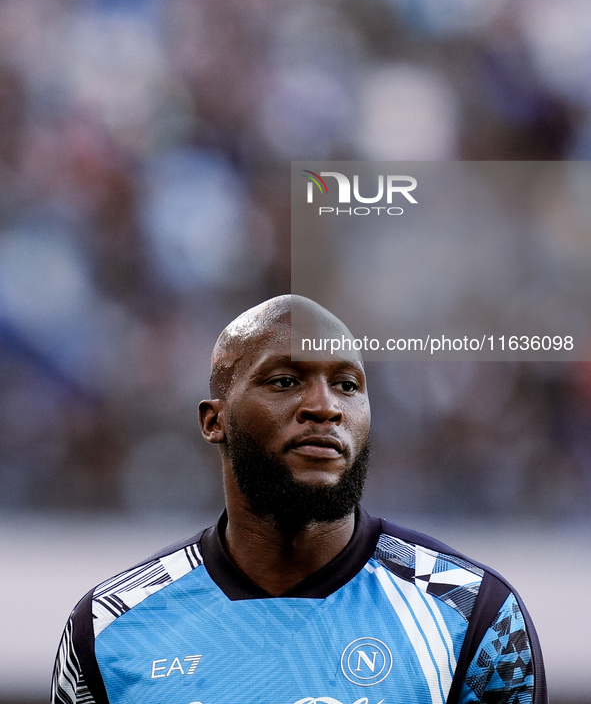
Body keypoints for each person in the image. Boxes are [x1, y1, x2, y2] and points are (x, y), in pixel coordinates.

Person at [51, 294, 547, 704]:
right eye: (285, 381)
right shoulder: (109, 628)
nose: (324, 407)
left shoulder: (473, 613)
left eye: (347, 385)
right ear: (213, 420)